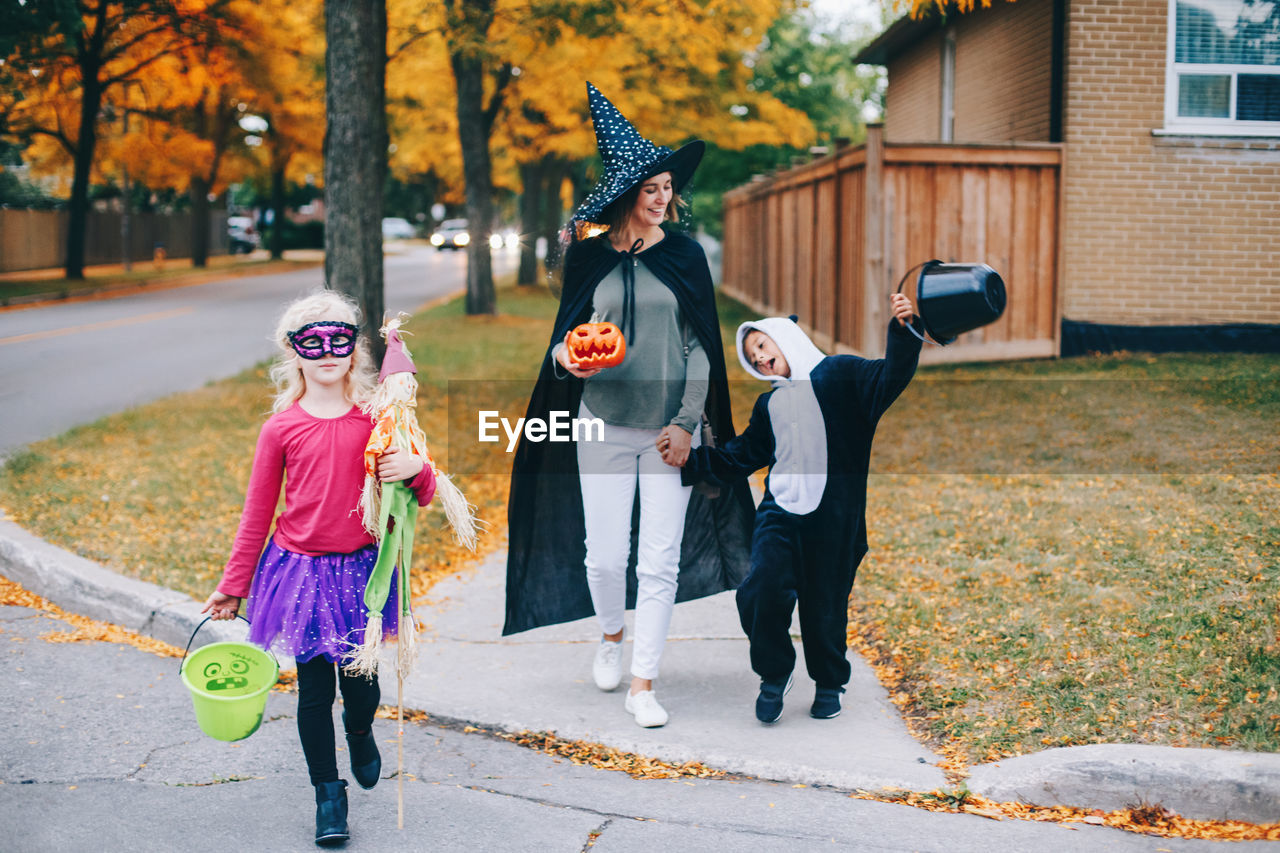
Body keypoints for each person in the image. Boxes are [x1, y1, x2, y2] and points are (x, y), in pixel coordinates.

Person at [504, 83, 754, 728]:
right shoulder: (588, 258)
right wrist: (567, 358)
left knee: (660, 559)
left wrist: (684, 425)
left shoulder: (687, 256)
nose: (664, 197)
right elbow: (563, 340)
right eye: (652, 188)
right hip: (601, 424)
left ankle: (645, 682)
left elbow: (701, 347)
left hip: (669, 432)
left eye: (669, 186)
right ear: (626, 196)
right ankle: (611, 636)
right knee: (606, 555)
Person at [201, 290, 436, 847]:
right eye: (313, 342)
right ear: (294, 352)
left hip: (361, 572)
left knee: (361, 682)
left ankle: (359, 732)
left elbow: (416, 496)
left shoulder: (378, 418)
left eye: (339, 340)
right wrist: (234, 586)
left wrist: (417, 468)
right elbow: (257, 513)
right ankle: (328, 796)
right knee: (311, 692)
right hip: (301, 571)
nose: (328, 352)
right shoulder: (280, 428)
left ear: (354, 350)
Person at [676, 293, 920, 724]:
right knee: (760, 591)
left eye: (764, 347)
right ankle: (775, 673)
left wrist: (901, 333)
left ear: (784, 338)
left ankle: (829, 681)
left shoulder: (840, 374)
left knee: (825, 602)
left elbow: (890, 378)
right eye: (753, 357)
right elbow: (742, 455)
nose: (762, 359)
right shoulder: (768, 404)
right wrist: (693, 461)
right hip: (780, 513)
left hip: (835, 516)